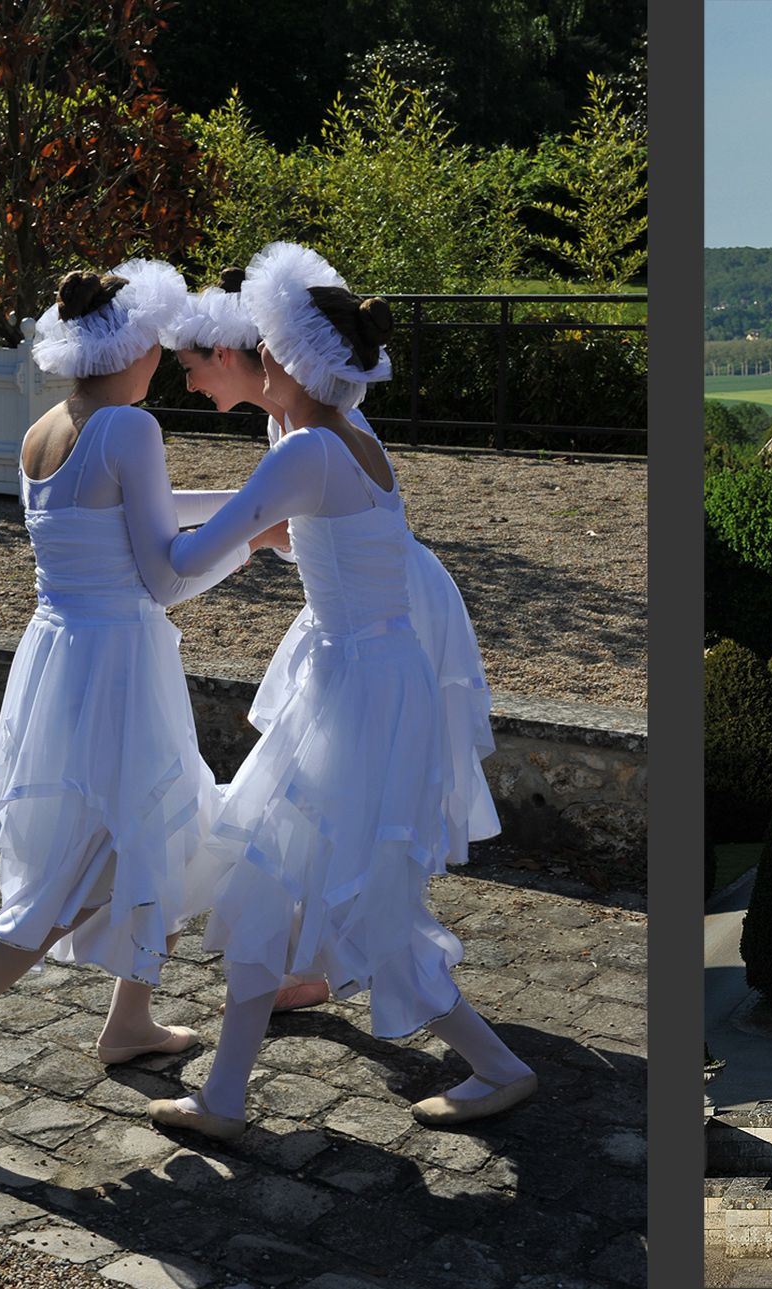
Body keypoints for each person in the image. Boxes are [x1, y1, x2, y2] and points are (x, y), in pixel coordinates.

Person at [144, 242, 533, 1141]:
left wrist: (134, 544)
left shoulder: (308, 450)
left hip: (355, 687)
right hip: (360, 672)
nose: (255, 356)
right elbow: (278, 522)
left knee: (352, 894)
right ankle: (226, 1096)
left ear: (289, 360)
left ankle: (499, 1065)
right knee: (273, 870)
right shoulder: (343, 438)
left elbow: (202, 555)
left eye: (266, 346)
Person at [0, 262, 276, 1132]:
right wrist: (247, 536)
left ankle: (129, 1021)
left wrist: (255, 508)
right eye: (160, 348)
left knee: (162, 834)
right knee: (66, 882)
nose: (167, 363)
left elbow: (145, 517)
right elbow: (165, 575)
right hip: (115, 671)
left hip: (66, 660)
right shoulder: (131, 428)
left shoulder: (48, 427)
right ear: (135, 348)